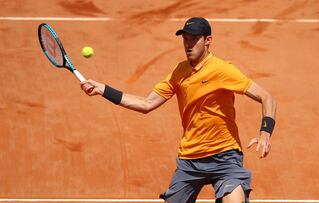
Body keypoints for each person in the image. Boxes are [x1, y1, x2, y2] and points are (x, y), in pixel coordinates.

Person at [81, 17, 277, 203]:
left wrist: (265, 133)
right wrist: (103, 89)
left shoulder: (221, 70)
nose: (188, 44)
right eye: (185, 39)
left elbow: (267, 97)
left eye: (194, 39)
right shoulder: (179, 72)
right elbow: (146, 104)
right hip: (190, 160)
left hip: (225, 157)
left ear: (208, 40)